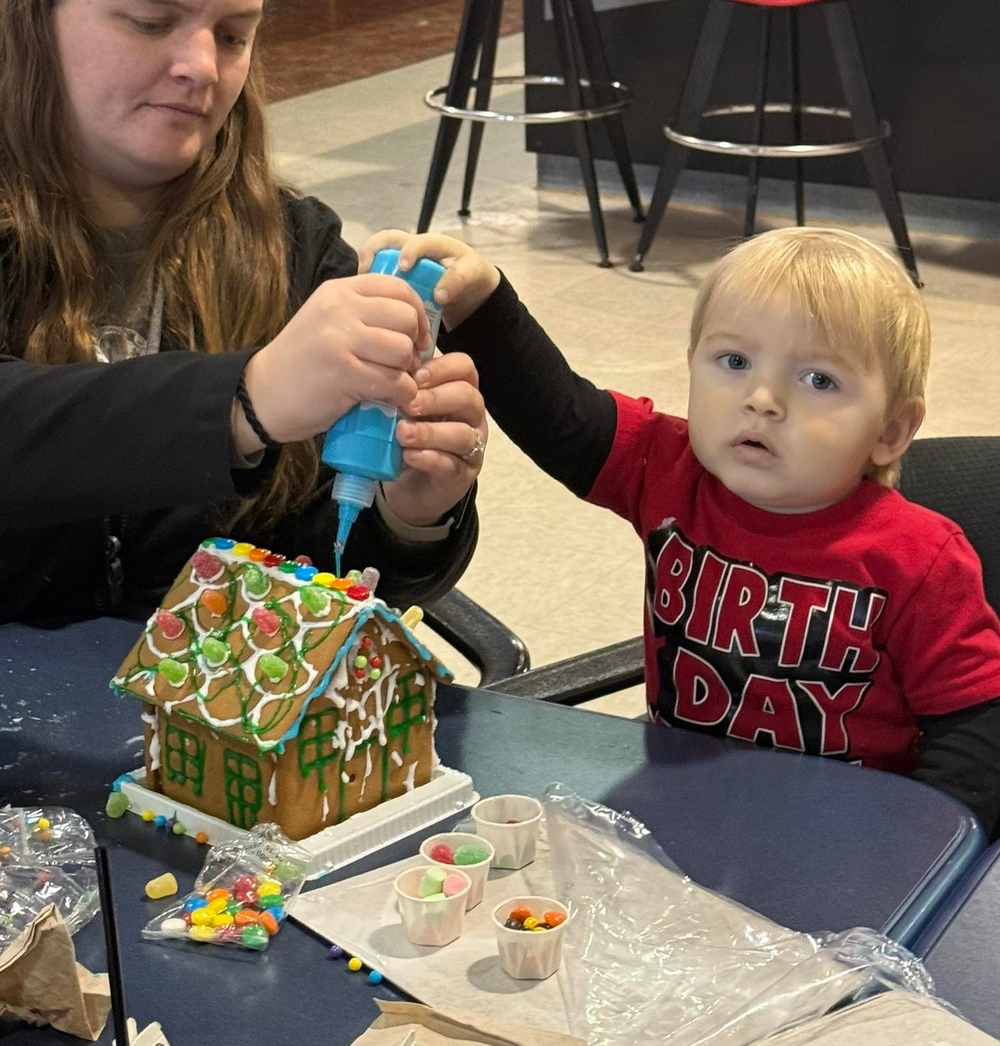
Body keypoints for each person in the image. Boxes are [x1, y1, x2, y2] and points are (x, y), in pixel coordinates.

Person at [364, 224, 1000, 833]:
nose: (763, 398)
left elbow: (976, 729)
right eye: (733, 360)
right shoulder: (669, 470)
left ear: (890, 431)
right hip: (678, 812)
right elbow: (560, 415)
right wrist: (479, 305)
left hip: (848, 837)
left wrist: (918, 851)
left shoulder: (921, 559)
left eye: (818, 379)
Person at [0, 0, 486, 627]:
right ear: (33, 17)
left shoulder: (293, 249)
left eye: (232, 35)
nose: (200, 65)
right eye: (151, 21)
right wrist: (242, 402)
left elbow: (311, 579)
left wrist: (409, 514)